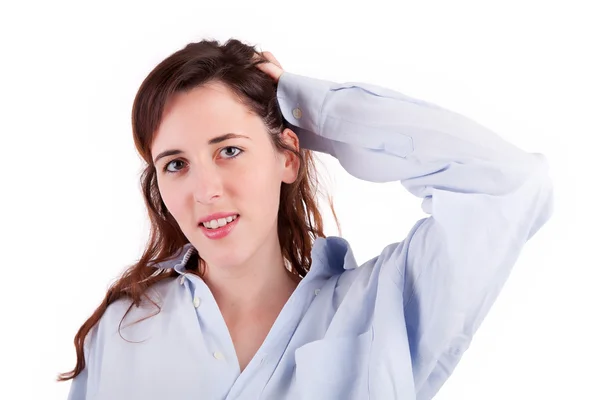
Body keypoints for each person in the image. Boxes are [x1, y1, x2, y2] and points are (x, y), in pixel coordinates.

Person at [58, 38, 554, 400]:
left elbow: (508, 183)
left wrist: (313, 106)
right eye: (176, 164)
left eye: (229, 150)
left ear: (288, 156)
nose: (205, 190)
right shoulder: (125, 330)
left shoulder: (379, 313)